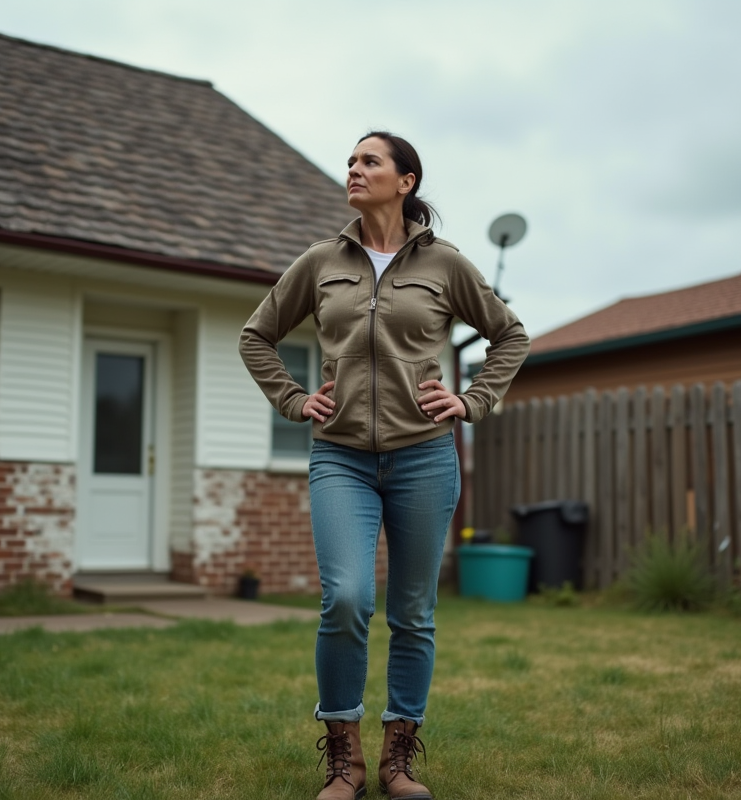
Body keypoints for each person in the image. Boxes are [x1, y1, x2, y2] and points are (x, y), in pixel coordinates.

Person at [239, 131, 529, 800]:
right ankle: (345, 761)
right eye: (350, 160)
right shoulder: (320, 262)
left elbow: (510, 334)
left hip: (424, 457)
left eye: (369, 161)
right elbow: (256, 335)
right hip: (340, 457)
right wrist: (290, 397)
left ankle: (399, 760)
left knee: (413, 612)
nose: (354, 169)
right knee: (344, 599)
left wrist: (473, 399)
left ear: (406, 180)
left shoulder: (446, 266)